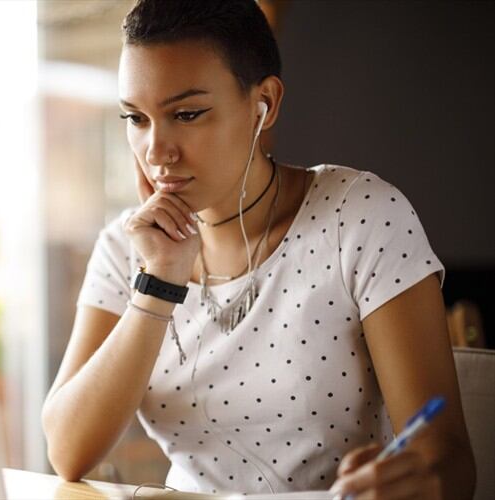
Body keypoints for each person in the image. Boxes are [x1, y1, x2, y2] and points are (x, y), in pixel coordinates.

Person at [41, 0, 476, 498]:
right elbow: (68, 451)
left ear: (263, 103)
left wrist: (421, 480)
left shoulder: (359, 218)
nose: (156, 151)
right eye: (136, 118)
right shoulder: (127, 247)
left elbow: (451, 460)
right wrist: (158, 283)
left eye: (187, 114)